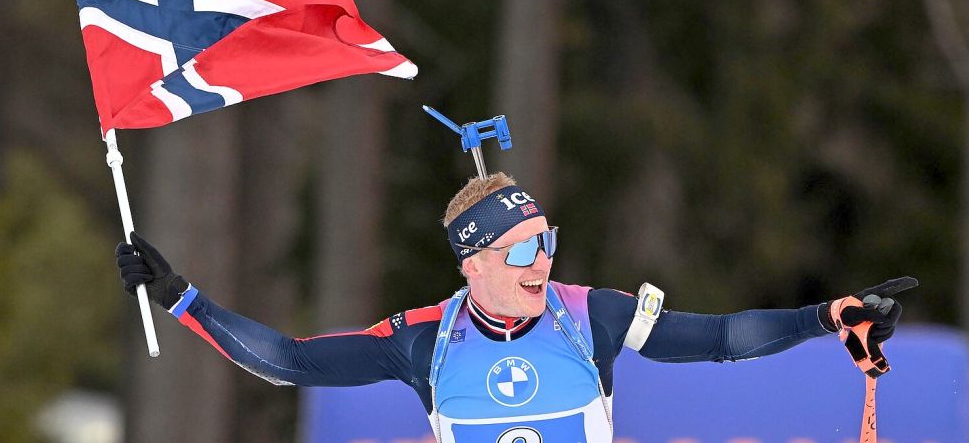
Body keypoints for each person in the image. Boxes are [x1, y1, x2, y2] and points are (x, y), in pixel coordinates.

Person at [116, 172, 916, 443]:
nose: (546, 260)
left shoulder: (589, 315)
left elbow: (718, 340)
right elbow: (289, 361)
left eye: (549, 238)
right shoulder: (423, 341)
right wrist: (178, 295)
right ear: (474, 263)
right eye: (525, 247)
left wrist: (824, 316)